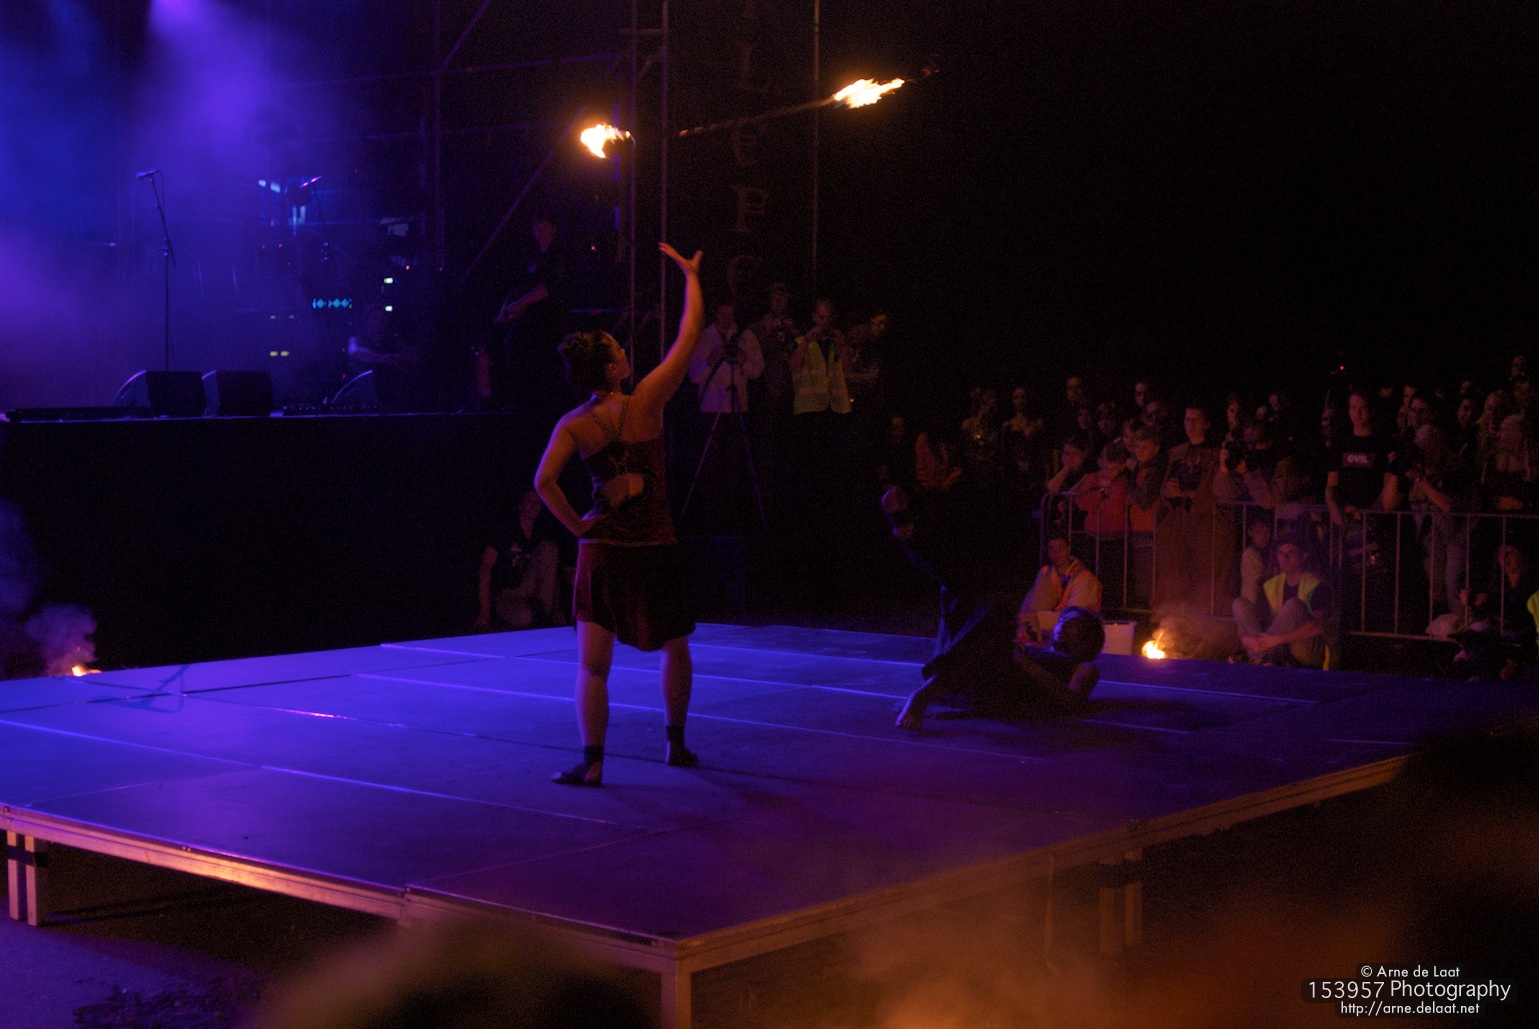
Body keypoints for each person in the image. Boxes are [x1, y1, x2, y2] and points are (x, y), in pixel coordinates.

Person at [533, 242, 704, 787]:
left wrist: (579, 527)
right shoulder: (647, 400)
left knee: (592, 664)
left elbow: (543, 482)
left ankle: (593, 761)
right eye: (617, 347)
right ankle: (675, 745)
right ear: (612, 367)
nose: (625, 348)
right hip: (653, 546)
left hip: (601, 551)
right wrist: (691, 279)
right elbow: (689, 337)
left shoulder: (574, 423)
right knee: (675, 647)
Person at [496, 212, 573, 414]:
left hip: (550, 318)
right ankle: (521, 399)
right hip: (532, 316)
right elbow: (521, 286)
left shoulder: (558, 256)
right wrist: (508, 308)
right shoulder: (535, 257)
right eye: (536, 228)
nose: (539, 232)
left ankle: (532, 401)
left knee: (526, 347)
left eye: (543, 227)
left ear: (553, 229)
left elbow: (547, 287)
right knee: (515, 345)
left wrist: (520, 304)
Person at [1231, 531, 1332, 667]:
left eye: (1291, 552)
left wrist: (1278, 640)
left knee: (1293, 605)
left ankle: (1259, 656)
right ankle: (1263, 658)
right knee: (1239, 604)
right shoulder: (1270, 586)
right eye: (1280, 553)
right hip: (1276, 648)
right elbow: (1257, 624)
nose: (1285, 557)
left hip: (1305, 648)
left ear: (1303, 556)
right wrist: (1245, 639)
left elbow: (1318, 627)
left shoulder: (1316, 585)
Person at [476, 489, 561, 631]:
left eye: (538, 502)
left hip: (530, 591)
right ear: (520, 504)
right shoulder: (505, 531)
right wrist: (485, 612)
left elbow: (553, 574)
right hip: (507, 595)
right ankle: (534, 615)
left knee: (550, 548)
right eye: (530, 501)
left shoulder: (541, 534)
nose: (534, 506)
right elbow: (485, 568)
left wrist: (556, 608)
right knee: (524, 617)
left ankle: (544, 611)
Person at [1018, 534, 1102, 641]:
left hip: (1082, 632)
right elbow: (1030, 603)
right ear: (1048, 553)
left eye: (1061, 547)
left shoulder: (1083, 577)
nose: (1057, 552)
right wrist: (1023, 624)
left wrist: (1036, 616)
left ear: (1068, 549)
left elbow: (1073, 617)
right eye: (1052, 549)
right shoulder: (1046, 573)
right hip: (1058, 627)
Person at [345, 304, 422, 412]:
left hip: (391, 398)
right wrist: (384, 359)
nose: (379, 322)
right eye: (375, 318)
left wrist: (398, 359)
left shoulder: (393, 341)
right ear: (367, 321)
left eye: (383, 318)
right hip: (363, 399)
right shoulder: (357, 340)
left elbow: (415, 356)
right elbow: (355, 351)